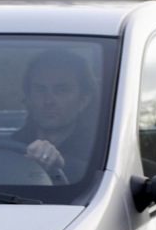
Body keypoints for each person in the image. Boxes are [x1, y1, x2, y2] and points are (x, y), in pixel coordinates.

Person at [14, 49, 98, 182]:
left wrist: (63, 166)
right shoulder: (7, 149)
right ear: (28, 98)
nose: (49, 101)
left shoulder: (102, 153)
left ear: (83, 100)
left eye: (61, 90)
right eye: (40, 90)